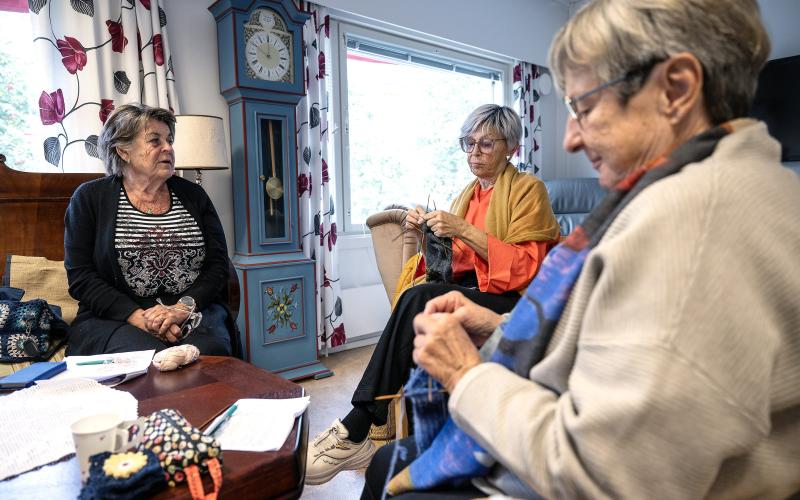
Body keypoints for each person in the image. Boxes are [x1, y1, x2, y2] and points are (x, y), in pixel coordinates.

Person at [362, 0, 800, 498]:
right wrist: (499, 324)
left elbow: (604, 473)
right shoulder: (738, 182)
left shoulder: (689, 224)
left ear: (676, 89)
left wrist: (467, 376)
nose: (569, 139)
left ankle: (362, 421)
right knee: (389, 456)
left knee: (389, 471)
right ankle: (365, 419)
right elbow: (619, 330)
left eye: (584, 107)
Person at [306, 105, 561, 485]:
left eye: (485, 144)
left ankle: (358, 424)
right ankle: (382, 429)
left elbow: (526, 268)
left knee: (416, 301)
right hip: (475, 290)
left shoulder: (528, 190)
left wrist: (463, 229)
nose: (474, 152)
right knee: (420, 296)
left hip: (513, 299)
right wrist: (430, 233)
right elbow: (457, 265)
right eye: (468, 143)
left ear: (510, 146)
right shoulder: (467, 194)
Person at [64, 103, 235, 356]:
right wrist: (139, 318)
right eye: (155, 141)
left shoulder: (194, 195)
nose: (168, 148)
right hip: (117, 316)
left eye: (169, 140)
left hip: (193, 310)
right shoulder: (89, 198)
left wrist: (181, 309)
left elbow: (218, 265)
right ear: (123, 151)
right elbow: (81, 277)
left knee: (208, 354)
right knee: (147, 359)